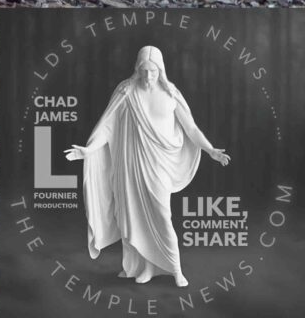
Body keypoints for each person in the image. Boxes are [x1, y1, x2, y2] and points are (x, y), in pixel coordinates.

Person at [66, 45, 230, 289]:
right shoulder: (126, 92)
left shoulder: (171, 94)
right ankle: (147, 267)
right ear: (137, 69)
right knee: (135, 216)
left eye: (153, 71)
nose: (148, 76)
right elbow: (107, 127)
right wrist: (88, 150)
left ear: (161, 70)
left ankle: (176, 269)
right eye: (144, 70)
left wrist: (210, 149)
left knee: (162, 216)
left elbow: (191, 128)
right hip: (132, 165)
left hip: (160, 165)